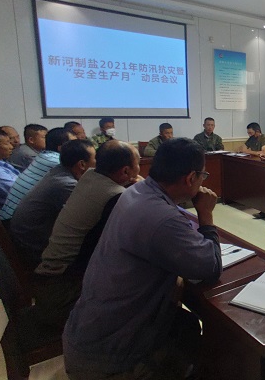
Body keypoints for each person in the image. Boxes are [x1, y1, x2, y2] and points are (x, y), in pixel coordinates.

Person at [63, 138, 221, 379]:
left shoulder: (136, 191)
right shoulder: (162, 217)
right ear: (191, 178)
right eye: (203, 176)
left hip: (87, 333)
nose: (203, 181)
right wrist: (206, 214)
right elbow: (210, 267)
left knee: (187, 324)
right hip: (110, 359)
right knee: (210, 351)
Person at [35, 140, 142, 328]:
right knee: (148, 281)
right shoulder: (115, 196)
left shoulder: (89, 176)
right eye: (138, 164)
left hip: (48, 278)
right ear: (125, 171)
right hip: (66, 291)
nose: (139, 169)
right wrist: (143, 191)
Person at [9, 139, 96, 272]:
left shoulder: (58, 171)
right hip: (36, 249)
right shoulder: (66, 184)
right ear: (82, 164)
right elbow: (89, 217)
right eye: (95, 159)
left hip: (28, 237)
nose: (97, 163)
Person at [0, 127, 76, 221]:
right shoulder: (56, 161)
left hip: (12, 216)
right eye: (75, 144)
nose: (79, 146)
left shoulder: (44, 156)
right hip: (16, 221)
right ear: (61, 147)